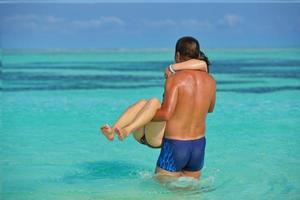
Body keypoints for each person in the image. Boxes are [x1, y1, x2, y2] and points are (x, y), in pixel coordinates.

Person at [100, 57, 208, 148]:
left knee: (154, 102)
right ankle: (112, 131)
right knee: (143, 103)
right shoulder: (179, 80)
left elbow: (203, 64)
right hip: (147, 133)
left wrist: (171, 67)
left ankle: (128, 129)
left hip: (157, 138)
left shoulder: (199, 83)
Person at [153, 36, 216, 179]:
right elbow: (210, 109)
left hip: (175, 145)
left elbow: (166, 114)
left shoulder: (174, 79)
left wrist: (148, 116)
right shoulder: (210, 80)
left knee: (163, 193)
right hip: (198, 145)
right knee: (192, 193)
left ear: (177, 55)